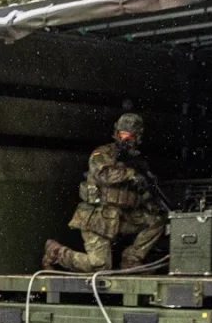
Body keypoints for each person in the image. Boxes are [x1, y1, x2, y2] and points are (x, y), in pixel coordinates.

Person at [43, 112, 166, 273]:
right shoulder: (102, 153)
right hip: (96, 218)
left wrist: (150, 197)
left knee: (157, 220)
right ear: (116, 134)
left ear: (138, 138)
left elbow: (141, 193)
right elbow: (103, 174)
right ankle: (57, 253)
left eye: (131, 137)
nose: (126, 140)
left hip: (120, 217)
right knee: (100, 266)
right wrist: (131, 174)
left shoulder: (137, 161)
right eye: (123, 135)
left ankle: (131, 259)